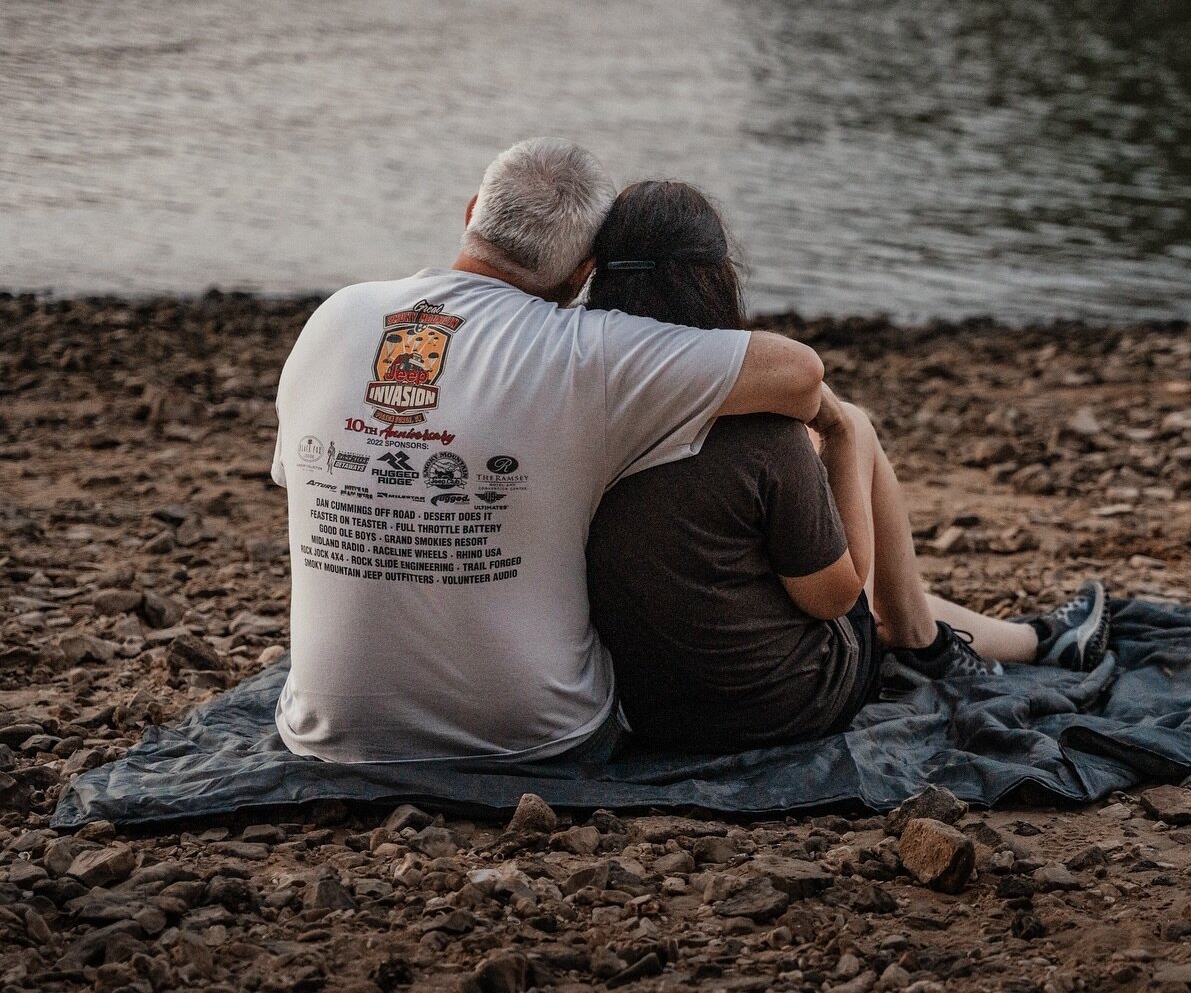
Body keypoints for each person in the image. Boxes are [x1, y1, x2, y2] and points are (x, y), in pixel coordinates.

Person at [270, 140, 829, 764]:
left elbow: (303, 483)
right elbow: (799, 373)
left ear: (472, 211)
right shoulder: (585, 353)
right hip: (539, 739)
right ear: (584, 271)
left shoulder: (337, 316)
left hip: (327, 730)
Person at [585, 181, 1111, 753]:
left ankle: (1008, 639)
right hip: (780, 706)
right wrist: (835, 436)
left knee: (762, 555)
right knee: (854, 425)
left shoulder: (569, 408)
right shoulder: (764, 431)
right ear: (716, 277)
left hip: (643, 707)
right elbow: (836, 600)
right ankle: (940, 641)